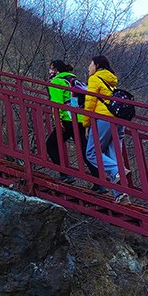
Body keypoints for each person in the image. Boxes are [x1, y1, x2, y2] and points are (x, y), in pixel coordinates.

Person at [79, 54, 124, 198]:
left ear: (96, 65)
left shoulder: (94, 78)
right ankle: (120, 195)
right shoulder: (111, 79)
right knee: (112, 156)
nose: (88, 67)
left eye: (90, 64)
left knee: (92, 153)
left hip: (103, 119)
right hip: (118, 121)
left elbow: (90, 102)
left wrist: (86, 124)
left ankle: (118, 170)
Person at [45, 60, 79, 167]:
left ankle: (64, 174)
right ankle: (100, 181)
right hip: (81, 118)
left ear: (56, 70)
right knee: (85, 151)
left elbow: (57, 104)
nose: (50, 71)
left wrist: (58, 120)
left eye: (51, 68)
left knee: (51, 145)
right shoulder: (74, 80)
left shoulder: (57, 82)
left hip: (67, 119)